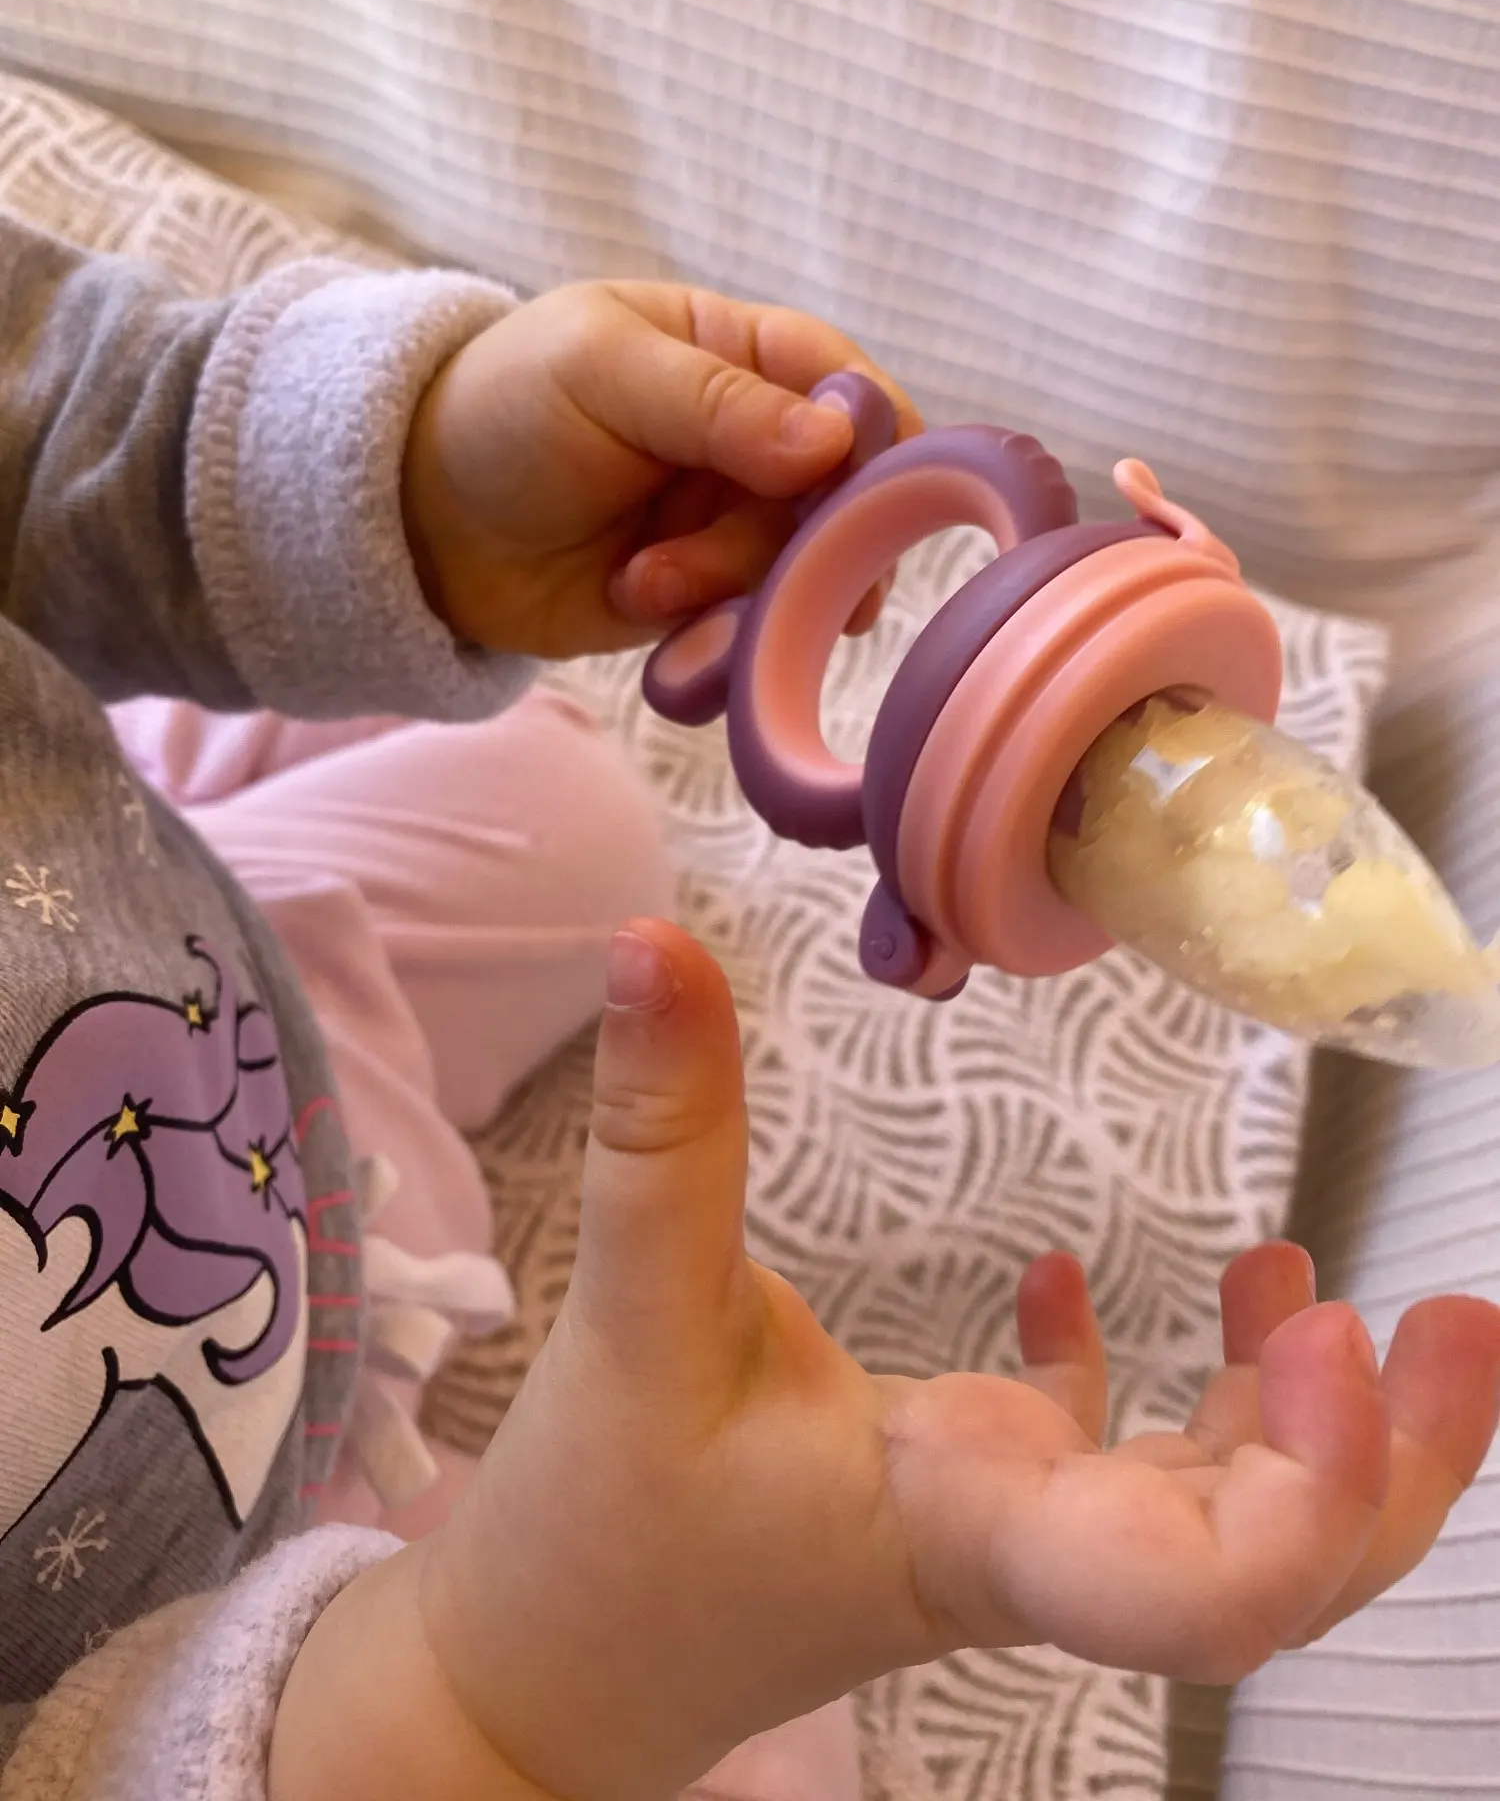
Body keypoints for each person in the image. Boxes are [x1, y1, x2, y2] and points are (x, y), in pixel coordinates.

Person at [0, 212, 1496, 1801]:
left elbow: (47, 411)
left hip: (230, 992)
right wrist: (498, 1691)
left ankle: (154, 763)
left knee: (563, 814)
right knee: (767, 1754)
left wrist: (401, 479)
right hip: (191, 1621)